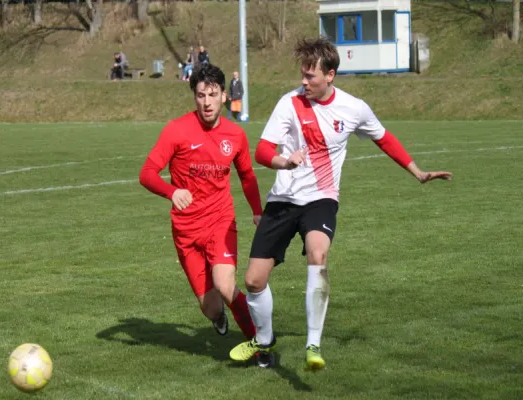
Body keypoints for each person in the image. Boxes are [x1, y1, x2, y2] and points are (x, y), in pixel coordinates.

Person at [229, 38, 453, 369]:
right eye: (302, 75)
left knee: (318, 252)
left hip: (321, 199)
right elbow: (262, 150)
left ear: (330, 74)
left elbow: (384, 138)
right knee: (253, 281)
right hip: (283, 198)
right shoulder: (289, 103)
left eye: (311, 77)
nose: (304, 82)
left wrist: (417, 172)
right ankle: (263, 341)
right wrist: (284, 162)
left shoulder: (353, 108)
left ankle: (313, 345)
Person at [139, 63, 262, 343]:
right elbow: (146, 174)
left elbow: (247, 175)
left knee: (225, 283)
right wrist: (171, 192)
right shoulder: (177, 130)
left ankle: (260, 343)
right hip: (186, 230)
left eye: (212, 94)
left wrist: (257, 211)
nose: (206, 102)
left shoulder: (236, 135)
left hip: (220, 220)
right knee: (210, 307)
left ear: (223, 97)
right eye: (201, 95)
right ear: (194, 96)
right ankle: (220, 317)